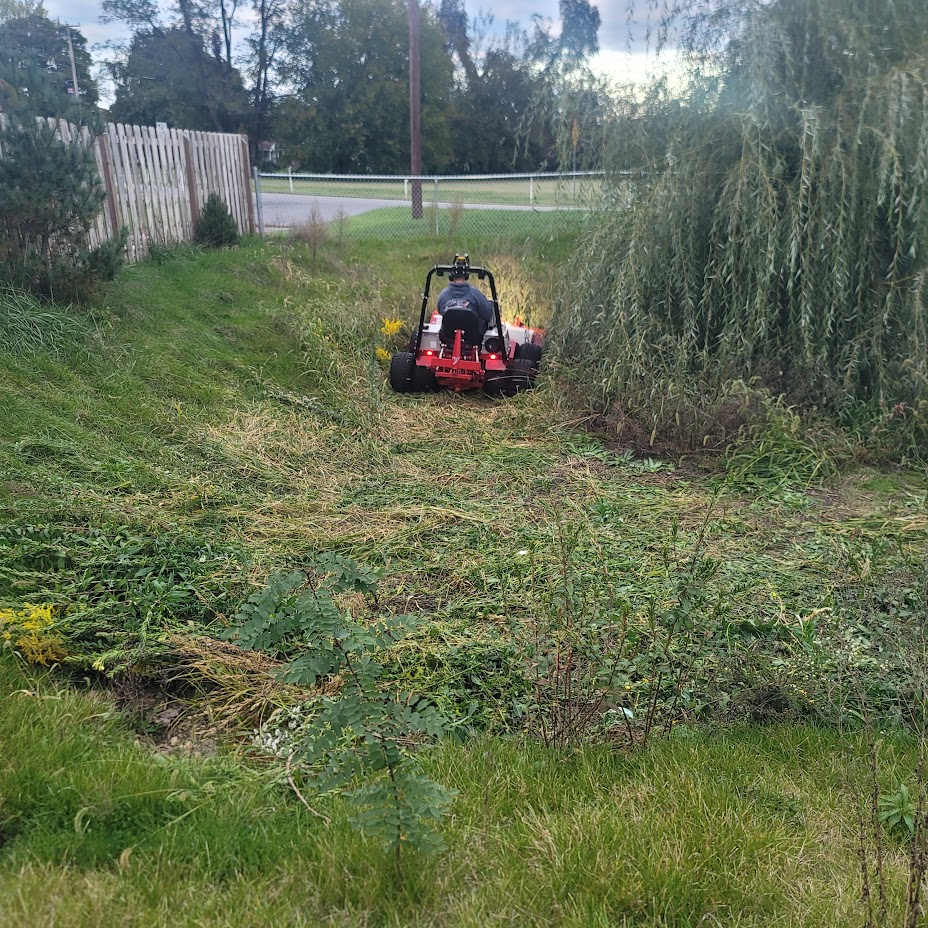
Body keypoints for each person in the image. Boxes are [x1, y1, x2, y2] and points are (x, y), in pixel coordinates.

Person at [437, 258, 495, 339]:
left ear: (451, 276)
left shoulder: (443, 295)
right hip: (473, 338)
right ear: (466, 276)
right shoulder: (475, 294)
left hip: (448, 338)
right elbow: (488, 315)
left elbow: (440, 312)